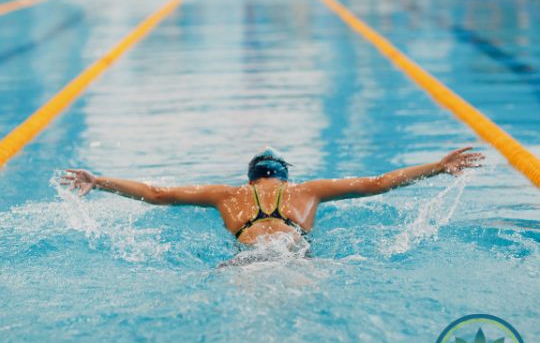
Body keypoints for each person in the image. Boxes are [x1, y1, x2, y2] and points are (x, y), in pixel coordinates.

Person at [62, 147, 484, 246]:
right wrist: (437, 166)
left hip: (244, 258)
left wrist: (98, 180)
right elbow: (378, 183)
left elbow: (157, 193)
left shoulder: (227, 196)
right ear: (283, 177)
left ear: (251, 178)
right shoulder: (305, 191)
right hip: (293, 253)